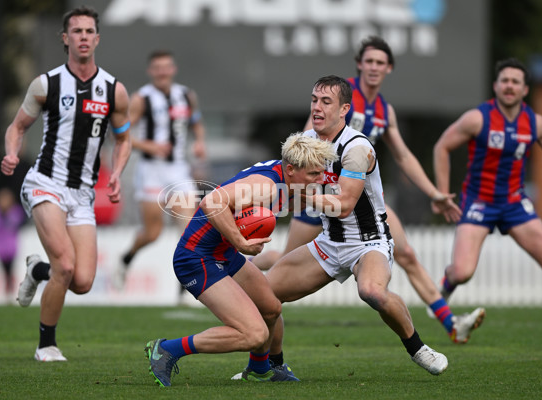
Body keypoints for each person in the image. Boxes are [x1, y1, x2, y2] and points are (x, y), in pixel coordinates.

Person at [252, 36, 485, 344]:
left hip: (363, 201)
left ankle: (450, 323)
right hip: (323, 199)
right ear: (359, 65)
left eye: (380, 63)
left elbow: (402, 155)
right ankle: (239, 274)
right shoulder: (334, 95)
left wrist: (433, 193)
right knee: (286, 259)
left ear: (389, 68)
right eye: (369, 61)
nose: (374, 68)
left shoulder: (384, 110)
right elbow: (308, 138)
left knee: (408, 254)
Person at [233, 76, 448, 382]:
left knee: (371, 291)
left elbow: (345, 204)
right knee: (265, 297)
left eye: (326, 102)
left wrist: (300, 195)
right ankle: (270, 366)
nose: (317, 107)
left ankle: (418, 348)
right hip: (329, 243)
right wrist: (263, 204)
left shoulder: (356, 147)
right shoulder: (306, 142)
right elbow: (290, 189)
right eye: (314, 100)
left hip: (368, 242)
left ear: (345, 109)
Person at [144, 132, 339, 387]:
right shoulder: (266, 185)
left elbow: (306, 204)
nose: (320, 178)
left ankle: (260, 369)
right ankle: (168, 349)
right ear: (290, 169)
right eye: (314, 173)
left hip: (222, 254)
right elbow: (211, 201)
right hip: (196, 258)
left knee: (271, 308)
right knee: (254, 334)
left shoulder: (291, 184)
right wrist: (240, 241)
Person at [0, 6, 131, 362]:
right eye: (77, 31)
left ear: (97, 38)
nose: (83, 37)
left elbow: (124, 139)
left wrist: (116, 173)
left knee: (83, 281)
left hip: (82, 194)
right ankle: (46, 344)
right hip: (45, 183)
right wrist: (12, 152)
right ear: (65, 38)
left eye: (89, 31)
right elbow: (17, 127)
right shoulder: (47, 84)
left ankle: (36, 270)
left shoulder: (114, 90)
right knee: (67, 266)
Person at [433, 58, 542, 302]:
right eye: (504, 81)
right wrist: (442, 193)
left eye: (515, 82)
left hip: (515, 202)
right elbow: (442, 147)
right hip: (479, 201)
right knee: (463, 272)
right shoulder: (477, 118)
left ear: (525, 89)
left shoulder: (536, 123)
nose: (509, 86)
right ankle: (449, 278)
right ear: (495, 86)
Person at [112, 50, 207, 292]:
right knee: (153, 233)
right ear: (150, 71)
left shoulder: (186, 95)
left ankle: (186, 284)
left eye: (166, 67)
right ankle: (127, 258)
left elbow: (196, 122)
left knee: (188, 229)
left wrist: (199, 142)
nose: (162, 72)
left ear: (173, 69)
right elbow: (122, 134)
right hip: (151, 171)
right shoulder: (141, 98)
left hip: (178, 171)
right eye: (157, 67)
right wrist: (149, 146)